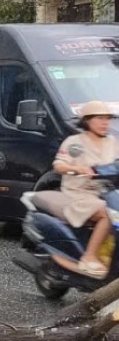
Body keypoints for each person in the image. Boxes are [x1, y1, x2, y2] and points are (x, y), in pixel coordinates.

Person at [51, 100, 119, 278]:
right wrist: (77, 168)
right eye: (100, 118)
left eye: (108, 119)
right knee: (108, 213)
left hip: (107, 192)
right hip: (79, 193)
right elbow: (59, 165)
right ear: (87, 120)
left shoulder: (112, 141)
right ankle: (88, 257)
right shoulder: (75, 142)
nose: (105, 123)